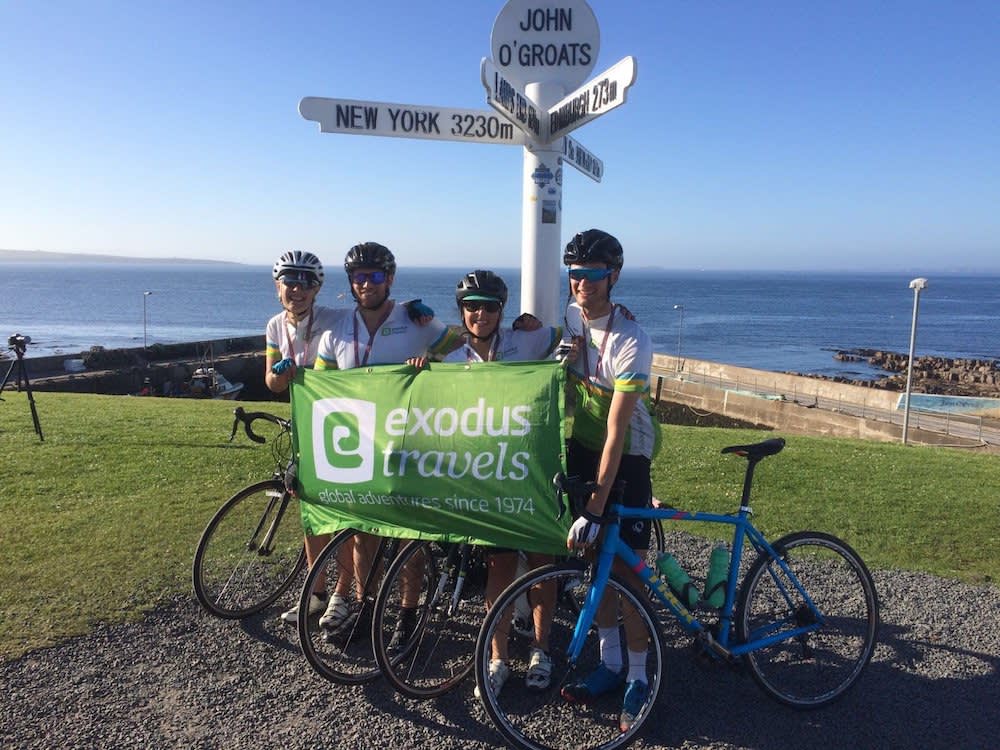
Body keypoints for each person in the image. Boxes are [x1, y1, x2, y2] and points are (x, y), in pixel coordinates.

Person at [311, 242, 459, 639]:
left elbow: (465, 354)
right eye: (358, 277)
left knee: (409, 535)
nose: (366, 284)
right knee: (364, 532)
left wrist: (433, 367)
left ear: (389, 279)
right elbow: (320, 389)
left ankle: (409, 616)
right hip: (359, 449)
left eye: (375, 276)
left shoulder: (418, 322)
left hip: (410, 445)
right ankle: (365, 605)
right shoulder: (338, 329)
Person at [439, 269, 563, 696]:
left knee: (542, 563)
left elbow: (573, 331)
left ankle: (541, 649)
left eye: (490, 306)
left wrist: (538, 323)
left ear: (501, 310)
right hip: (490, 478)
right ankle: (497, 657)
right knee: (499, 567)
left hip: (531, 471)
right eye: (472, 306)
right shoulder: (453, 362)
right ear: (462, 311)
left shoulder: (525, 340)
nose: (481, 314)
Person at [558, 229, 661, 734]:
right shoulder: (569, 316)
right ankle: (611, 663)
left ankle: (639, 676)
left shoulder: (632, 338)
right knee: (590, 563)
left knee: (626, 574)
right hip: (582, 446)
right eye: (575, 274)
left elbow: (618, 431)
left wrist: (597, 505)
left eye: (593, 275)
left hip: (627, 456)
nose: (582, 283)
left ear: (612, 276)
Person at [264, 250, 350, 624]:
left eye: (305, 282)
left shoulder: (335, 318)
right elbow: (271, 382)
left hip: (342, 427)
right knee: (310, 513)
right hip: (305, 427)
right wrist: (282, 373)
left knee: (345, 515)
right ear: (277, 284)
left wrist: (415, 313)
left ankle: (342, 597)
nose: (296, 289)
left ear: (317, 288)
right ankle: (316, 592)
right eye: (289, 281)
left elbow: (377, 316)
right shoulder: (274, 326)